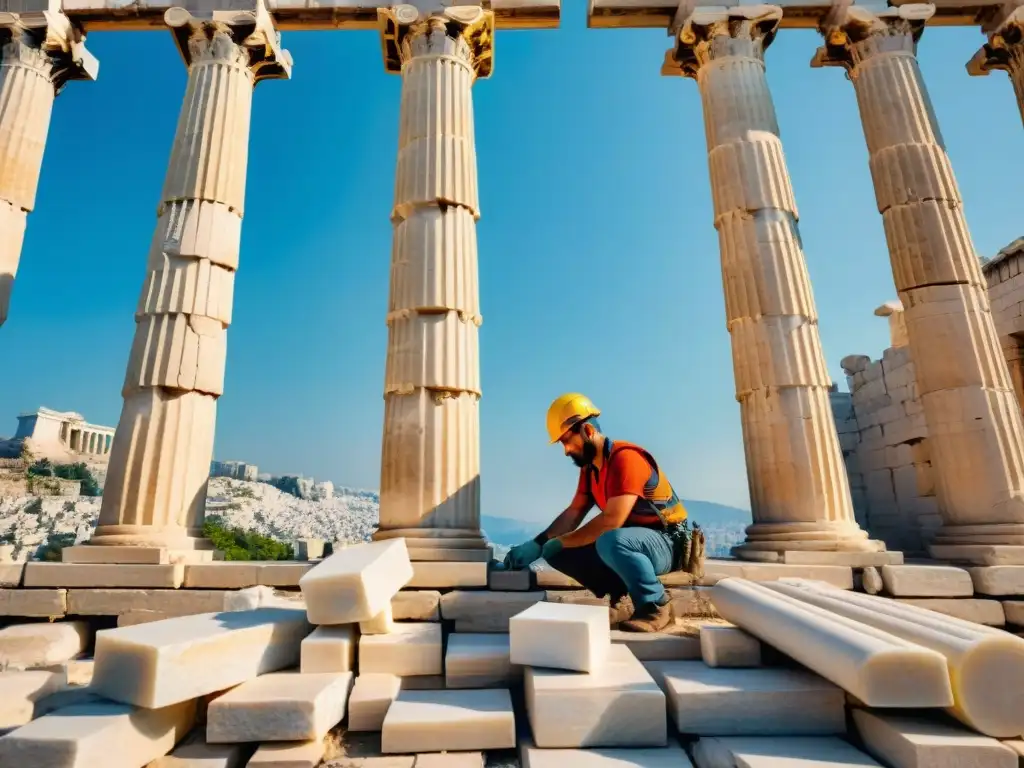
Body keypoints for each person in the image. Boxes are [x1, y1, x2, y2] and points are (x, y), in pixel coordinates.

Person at [504, 393, 700, 633]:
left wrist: (562, 540)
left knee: (612, 540)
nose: (566, 450)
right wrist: (538, 544)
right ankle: (621, 600)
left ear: (587, 430)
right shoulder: (591, 470)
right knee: (558, 551)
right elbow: (573, 513)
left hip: (669, 543)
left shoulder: (626, 459)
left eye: (567, 440)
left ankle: (655, 605)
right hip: (632, 542)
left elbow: (612, 520)